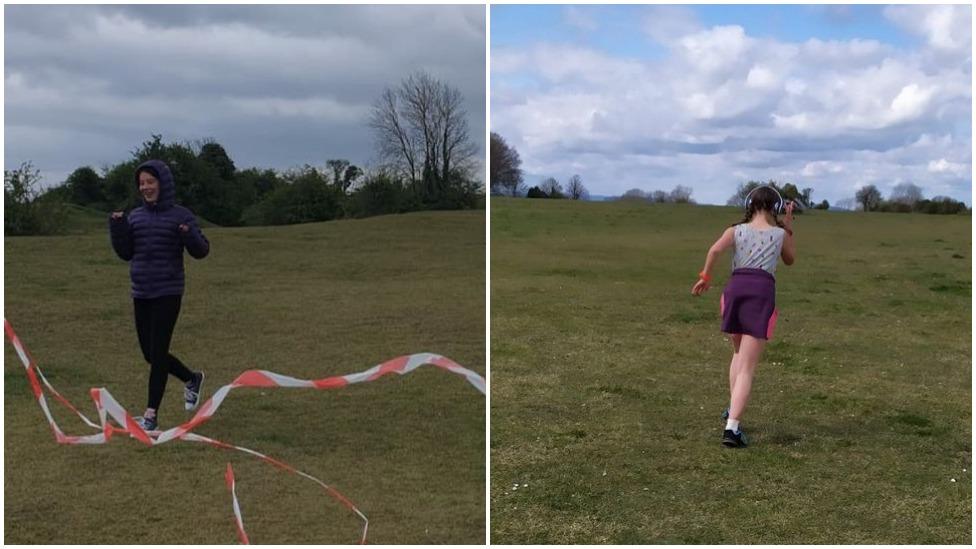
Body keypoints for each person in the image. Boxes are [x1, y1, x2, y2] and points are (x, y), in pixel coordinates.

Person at [690, 186, 796, 448]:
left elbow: (714, 251)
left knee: (738, 354)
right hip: (761, 292)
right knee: (748, 365)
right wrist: (788, 225)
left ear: (750, 204)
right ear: (776, 207)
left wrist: (705, 277)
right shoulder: (780, 234)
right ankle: (732, 428)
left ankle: (732, 408)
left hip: (735, 290)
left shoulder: (734, 230)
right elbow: (790, 260)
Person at [109, 159, 210, 432]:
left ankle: (151, 416)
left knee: (159, 351)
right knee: (150, 355)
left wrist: (188, 235)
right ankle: (192, 378)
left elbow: (202, 251)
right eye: (142, 183)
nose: (146, 187)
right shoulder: (136, 217)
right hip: (141, 292)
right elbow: (126, 253)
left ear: (162, 184)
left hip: (168, 291)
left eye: (150, 182)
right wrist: (117, 229)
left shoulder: (181, 215)